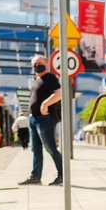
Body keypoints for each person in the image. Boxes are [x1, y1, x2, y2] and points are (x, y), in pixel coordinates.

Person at [19, 55, 64, 186]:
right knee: (36, 149)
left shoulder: (49, 77)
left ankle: (62, 175)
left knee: (50, 148)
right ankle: (35, 177)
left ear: (47, 64)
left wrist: (45, 104)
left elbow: (59, 94)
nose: (37, 65)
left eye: (40, 63)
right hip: (34, 118)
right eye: (34, 64)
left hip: (45, 118)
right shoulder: (36, 80)